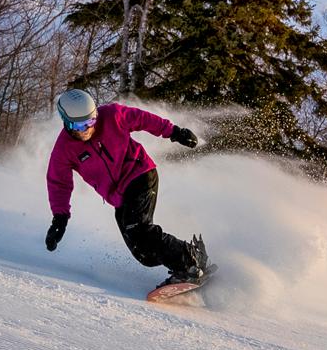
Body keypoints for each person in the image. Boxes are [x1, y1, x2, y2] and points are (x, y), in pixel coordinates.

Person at [44, 88, 210, 285]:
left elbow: (143, 119)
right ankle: (190, 256)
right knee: (144, 255)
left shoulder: (112, 115)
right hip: (119, 197)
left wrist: (174, 132)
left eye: (91, 120)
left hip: (140, 174)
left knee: (139, 231)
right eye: (80, 125)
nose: (88, 128)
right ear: (67, 123)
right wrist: (60, 218)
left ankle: (189, 262)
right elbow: (58, 183)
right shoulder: (63, 150)